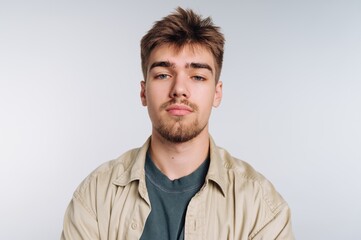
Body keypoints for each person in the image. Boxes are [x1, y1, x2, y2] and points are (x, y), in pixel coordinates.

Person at [61, 7, 295, 240]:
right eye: (163, 75)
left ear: (217, 93)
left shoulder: (261, 206)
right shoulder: (95, 195)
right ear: (143, 92)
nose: (179, 90)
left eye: (198, 77)